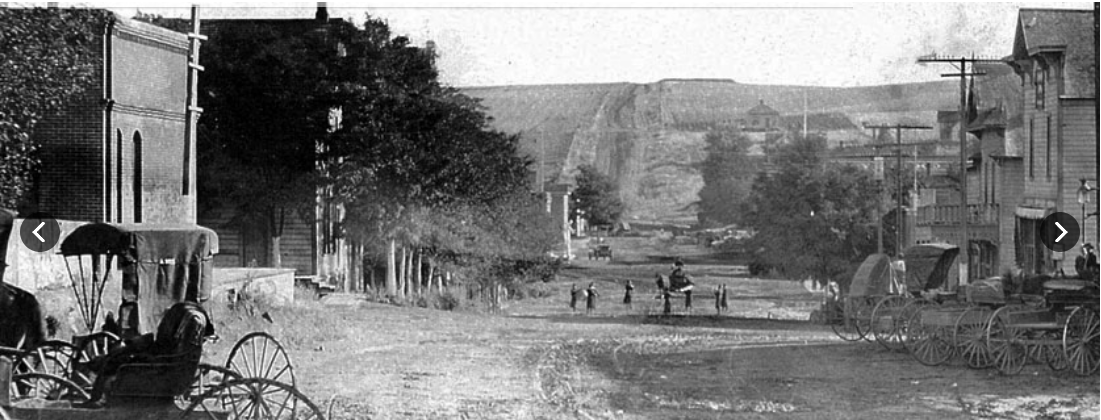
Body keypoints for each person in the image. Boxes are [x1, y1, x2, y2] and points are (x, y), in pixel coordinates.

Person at [79, 301, 215, 408]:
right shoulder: (172, 334)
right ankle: (99, 392)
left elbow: (162, 350)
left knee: (120, 363)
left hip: (166, 370)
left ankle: (101, 398)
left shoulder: (173, 348)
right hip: (166, 362)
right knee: (119, 356)